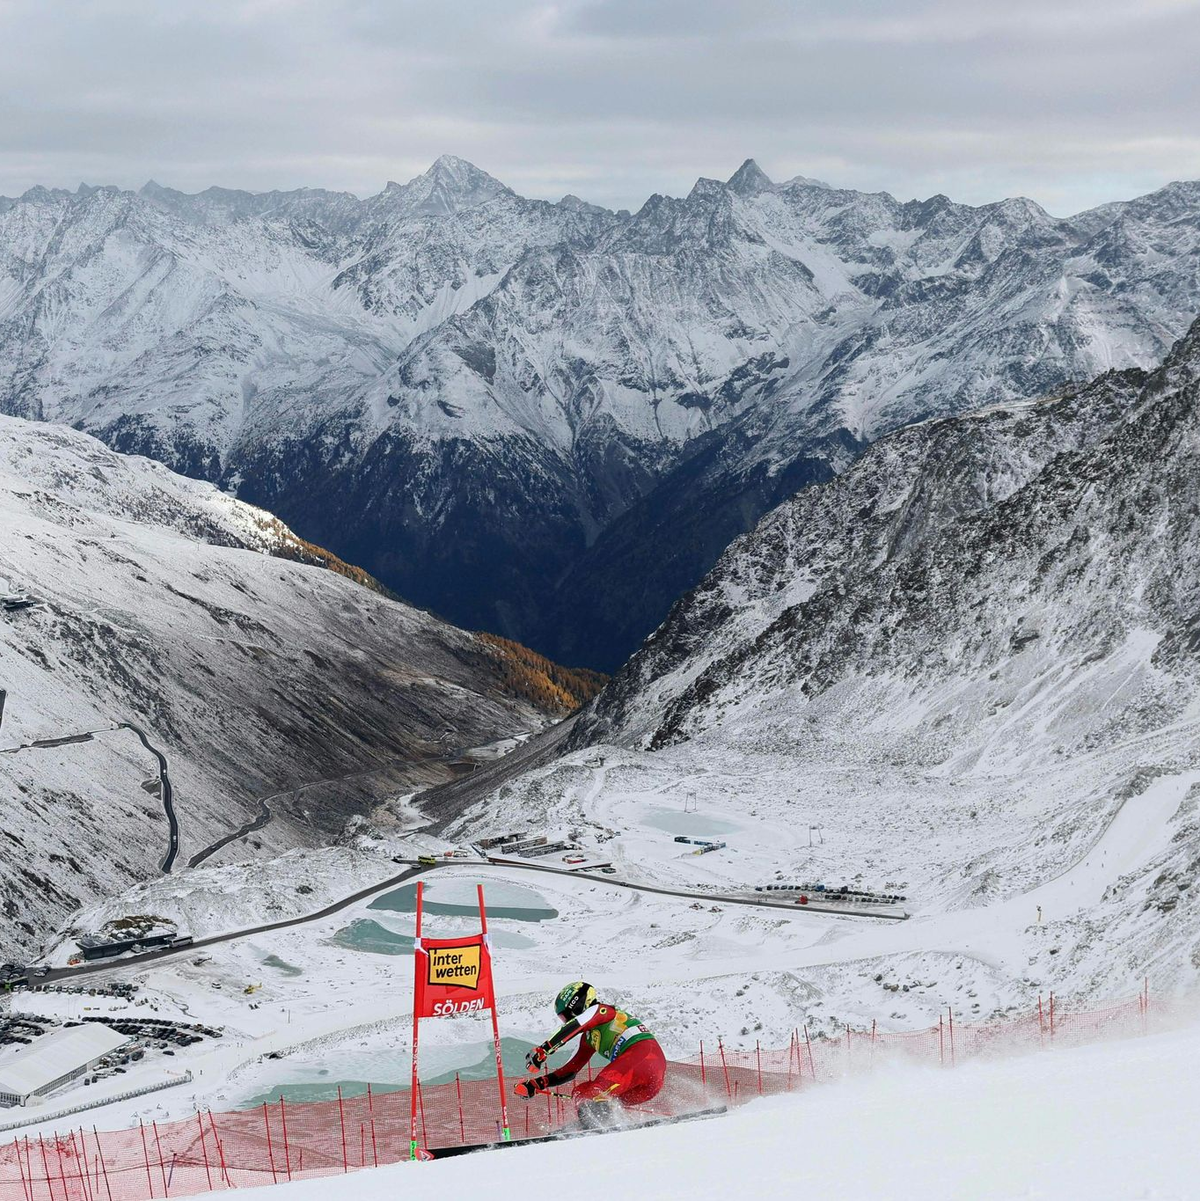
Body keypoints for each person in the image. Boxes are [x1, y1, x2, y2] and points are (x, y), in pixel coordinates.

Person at [515, 981, 666, 1122]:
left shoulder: (602, 1011)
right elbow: (570, 1070)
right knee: (581, 1092)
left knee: (595, 1092)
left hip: (645, 1057)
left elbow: (576, 1024)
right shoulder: (588, 1038)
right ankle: (603, 1124)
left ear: (577, 1006)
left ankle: (596, 1124)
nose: (565, 1021)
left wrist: (544, 1050)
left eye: (565, 1016)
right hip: (644, 1085)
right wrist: (538, 1084)